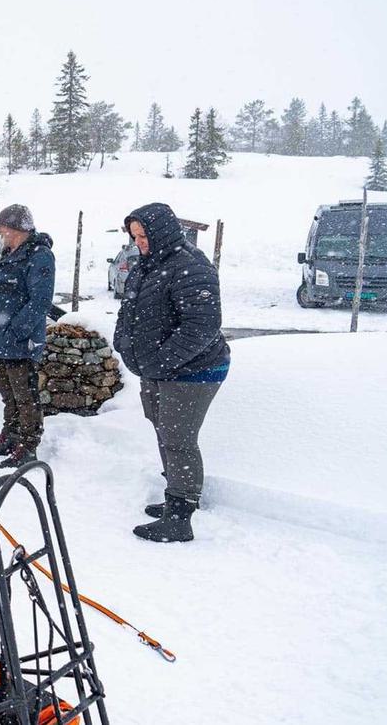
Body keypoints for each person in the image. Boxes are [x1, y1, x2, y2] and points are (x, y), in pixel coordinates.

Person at [114, 203, 229, 544]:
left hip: (195, 369)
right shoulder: (146, 266)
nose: (140, 243)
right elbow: (128, 310)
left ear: (162, 231)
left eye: (144, 235)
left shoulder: (191, 267)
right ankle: (178, 494)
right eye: (135, 237)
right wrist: (125, 344)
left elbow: (202, 326)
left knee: (177, 436)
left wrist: (162, 361)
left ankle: (180, 516)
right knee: (163, 428)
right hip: (158, 369)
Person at [0, 204, 55, 469]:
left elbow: (40, 301)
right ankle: (10, 437)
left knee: (25, 396)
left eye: (4, 228)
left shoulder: (39, 255)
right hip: (2, 340)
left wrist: (16, 330)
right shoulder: (9, 254)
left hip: (20, 342)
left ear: (18, 229)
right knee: (9, 395)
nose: (0, 232)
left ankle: (28, 444)